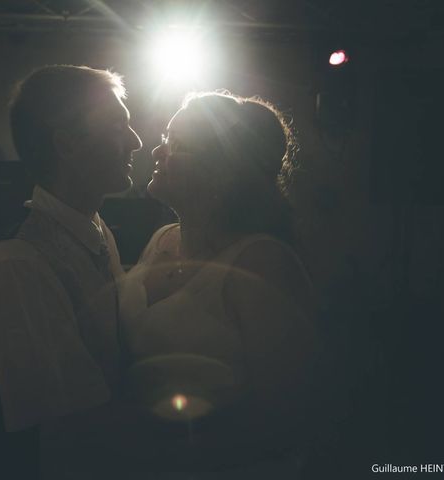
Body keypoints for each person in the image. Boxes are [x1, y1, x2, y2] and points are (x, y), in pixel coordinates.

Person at [119, 91, 321, 476]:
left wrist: (167, 456)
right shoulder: (161, 239)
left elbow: (286, 413)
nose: (158, 153)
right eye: (165, 139)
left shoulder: (262, 262)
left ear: (223, 170)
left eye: (176, 145)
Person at [0, 65, 142, 478]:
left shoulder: (97, 233)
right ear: (67, 144)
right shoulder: (17, 263)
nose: (135, 142)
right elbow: (67, 429)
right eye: (119, 126)